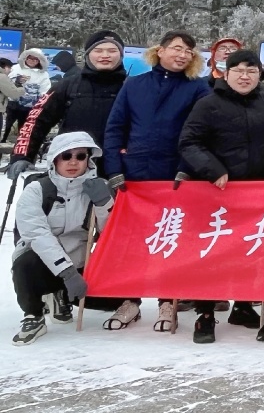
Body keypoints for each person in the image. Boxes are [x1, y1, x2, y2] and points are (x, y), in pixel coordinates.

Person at [101, 29, 210, 333]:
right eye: (176, 48)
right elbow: (115, 128)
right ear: (159, 51)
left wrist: (187, 168)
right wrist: (113, 168)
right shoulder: (134, 85)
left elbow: (201, 133)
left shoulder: (198, 89)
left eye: (188, 51)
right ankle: (129, 300)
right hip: (133, 175)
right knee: (132, 241)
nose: (182, 55)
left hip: (175, 175)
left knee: (171, 238)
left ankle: (168, 300)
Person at [179, 49, 264, 344]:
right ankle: (205, 315)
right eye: (238, 70)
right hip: (217, 193)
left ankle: (243, 306)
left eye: (251, 71)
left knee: (255, 253)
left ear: (260, 75)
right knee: (213, 255)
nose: (245, 76)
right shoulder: (208, 104)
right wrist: (212, 169)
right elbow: (189, 142)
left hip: (259, 195)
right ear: (226, 73)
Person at [10, 131, 114, 345]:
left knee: (115, 301)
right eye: (66, 156)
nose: (73, 162)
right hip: (41, 259)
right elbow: (37, 234)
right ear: (54, 159)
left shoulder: (98, 187)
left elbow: (110, 234)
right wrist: (66, 273)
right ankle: (34, 314)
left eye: (80, 156)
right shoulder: (37, 189)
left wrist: (104, 205)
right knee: (24, 264)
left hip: (80, 259)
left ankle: (61, 296)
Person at [9, 30, 128, 179]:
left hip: (120, 171)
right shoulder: (67, 85)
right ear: (88, 54)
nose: (105, 55)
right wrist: (22, 155)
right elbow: (36, 120)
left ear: (121, 54)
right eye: (98, 50)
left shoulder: (133, 87)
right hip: (72, 168)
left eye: (112, 50)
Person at [5, 49, 52, 140]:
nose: (32, 61)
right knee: (7, 125)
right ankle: (3, 141)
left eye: (35, 59)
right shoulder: (15, 68)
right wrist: (17, 81)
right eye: (30, 58)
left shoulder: (43, 74)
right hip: (12, 103)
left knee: (23, 128)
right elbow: (5, 82)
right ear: (25, 58)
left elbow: (45, 90)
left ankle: (20, 145)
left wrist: (41, 103)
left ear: (40, 61)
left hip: (30, 106)